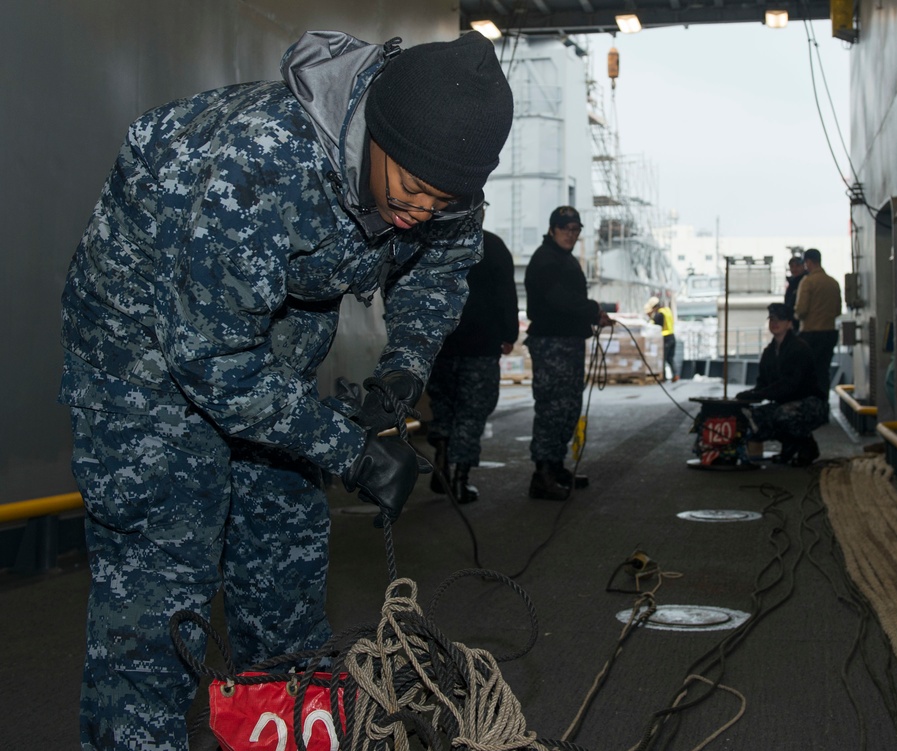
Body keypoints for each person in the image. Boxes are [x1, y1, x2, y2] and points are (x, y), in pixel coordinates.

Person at [58, 29, 513, 750]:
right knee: (161, 598)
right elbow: (209, 358)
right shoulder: (261, 162)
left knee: (285, 568)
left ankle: (277, 728)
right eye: (414, 189)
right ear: (377, 135)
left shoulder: (445, 189)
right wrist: (350, 452)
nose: (423, 210)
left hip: (265, 353)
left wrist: (404, 369)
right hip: (144, 361)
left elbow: (440, 270)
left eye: (445, 199)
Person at [523, 206, 613, 500]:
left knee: (568, 407)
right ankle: (542, 474)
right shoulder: (545, 259)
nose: (571, 235)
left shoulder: (563, 258)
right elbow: (558, 299)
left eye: (575, 230)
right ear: (552, 229)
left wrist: (592, 315)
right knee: (552, 409)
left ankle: (556, 466)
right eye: (565, 229)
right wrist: (591, 309)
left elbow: (570, 301)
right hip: (552, 344)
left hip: (568, 342)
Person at [426, 225, 519, 503]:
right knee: (472, 412)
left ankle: (441, 461)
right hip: (480, 345)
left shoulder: (437, 239)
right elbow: (506, 295)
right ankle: (459, 481)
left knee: (443, 406)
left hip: (442, 343)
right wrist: (509, 334)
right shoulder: (492, 245)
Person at [736, 303, 828, 466]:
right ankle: (790, 446)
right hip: (784, 403)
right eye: (771, 319)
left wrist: (759, 394)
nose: (774, 323)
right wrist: (747, 399)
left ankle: (807, 446)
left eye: (780, 319)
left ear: (789, 323)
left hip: (811, 403)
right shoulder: (769, 353)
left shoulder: (799, 348)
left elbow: (790, 385)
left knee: (784, 415)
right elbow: (762, 384)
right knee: (753, 419)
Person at [794, 247, 842, 394]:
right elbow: (837, 311)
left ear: (808, 262)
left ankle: (810, 405)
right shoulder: (833, 282)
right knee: (823, 371)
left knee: (807, 372)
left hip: (811, 334)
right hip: (829, 334)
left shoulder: (808, 282)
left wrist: (795, 316)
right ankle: (823, 403)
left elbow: (801, 310)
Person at [644, 295, 678, 381]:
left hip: (665, 338)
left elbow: (656, 327)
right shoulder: (667, 310)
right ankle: (675, 375)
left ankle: (663, 377)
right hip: (672, 336)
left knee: (662, 358)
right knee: (670, 358)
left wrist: (650, 320)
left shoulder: (659, 314)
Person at [784, 255, 806, 331]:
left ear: (803, 266)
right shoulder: (792, 283)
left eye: (797, 266)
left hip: (802, 322)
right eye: (792, 266)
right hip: (792, 321)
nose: (794, 269)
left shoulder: (806, 282)